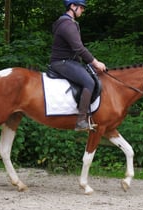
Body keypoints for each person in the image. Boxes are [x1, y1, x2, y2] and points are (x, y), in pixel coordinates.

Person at [50, 0, 107, 131]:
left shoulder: (69, 23)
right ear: (72, 6)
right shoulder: (67, 24)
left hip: (69, 61)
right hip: (62, 62)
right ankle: (81, 121)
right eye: (81, 7)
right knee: (89, 82)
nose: (83, 10)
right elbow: (79, 49)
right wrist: (95, 62)